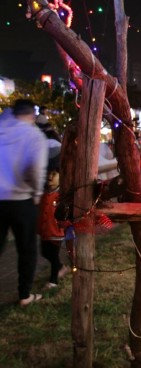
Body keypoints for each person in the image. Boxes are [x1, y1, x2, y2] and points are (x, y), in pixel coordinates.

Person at [0, 99, 48, 306]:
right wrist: (37, 193)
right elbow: (36, 170)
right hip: (22, 200)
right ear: (32, 114)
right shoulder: (34, 135)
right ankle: (24, 294)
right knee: (26, 249)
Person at [37, 128, 69, 290]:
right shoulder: (44, 193)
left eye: (54, 175)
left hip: (56, 232)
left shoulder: (60, 195)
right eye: (47, 175)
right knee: (45, 253)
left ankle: (53, 280)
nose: (50, 178)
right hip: (44, 230)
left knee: (53, 254)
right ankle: (61, 267)